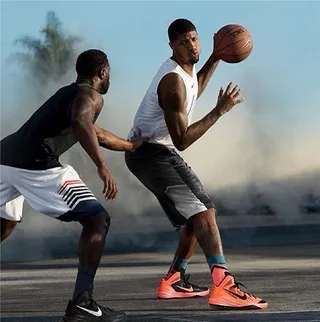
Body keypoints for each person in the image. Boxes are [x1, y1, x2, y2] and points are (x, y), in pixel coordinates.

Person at [125, 19, 267, 309]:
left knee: (199, 215)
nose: (191, 45)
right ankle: (224, 285)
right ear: (172, 46)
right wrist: (219, 111)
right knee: (203, 214)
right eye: (184, 42)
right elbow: (182, 140)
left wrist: (215, 57)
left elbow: (194, 90)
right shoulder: (173, 81)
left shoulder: (186, 73)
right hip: (150, 155)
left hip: (159, 152)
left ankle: (175, 279)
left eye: (194, 39)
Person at [0, 49, 147, 321]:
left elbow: (94, 131)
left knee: (4, 223)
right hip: (35, 165)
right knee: (97, 219)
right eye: (109, 72)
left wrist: (130, 145)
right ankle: (82, 302)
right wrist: (102, 166)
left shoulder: (67, 93)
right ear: (102, 73)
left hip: (3, 158)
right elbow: (82, 122)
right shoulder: (92, 96)